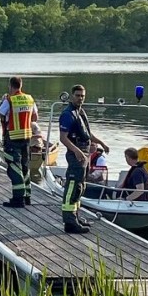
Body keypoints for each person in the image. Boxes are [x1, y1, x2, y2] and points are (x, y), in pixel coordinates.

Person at [58, 84, 107, 233]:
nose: (80, 98)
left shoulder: (81, 112)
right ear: (72, 96)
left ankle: (75, 217)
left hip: (85, 153)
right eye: (78, 95)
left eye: (82, 96)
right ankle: (69, 222)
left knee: (81, 187)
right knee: (72, 187)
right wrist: (76, 150)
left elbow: (87, 134)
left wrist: (101, 143)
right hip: (76, 154)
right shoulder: (68, 114)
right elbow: (63, 138)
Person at [0, 76, 36, 207]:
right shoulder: (30, 99)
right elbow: (35, 117)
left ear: (10, 86)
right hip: (27, 137)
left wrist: (2, 103)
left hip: (12, 137)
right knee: (24, 166)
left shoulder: (9, 100)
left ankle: (18, 199)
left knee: (14, 167)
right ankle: (27, 197)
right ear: (21, 85)